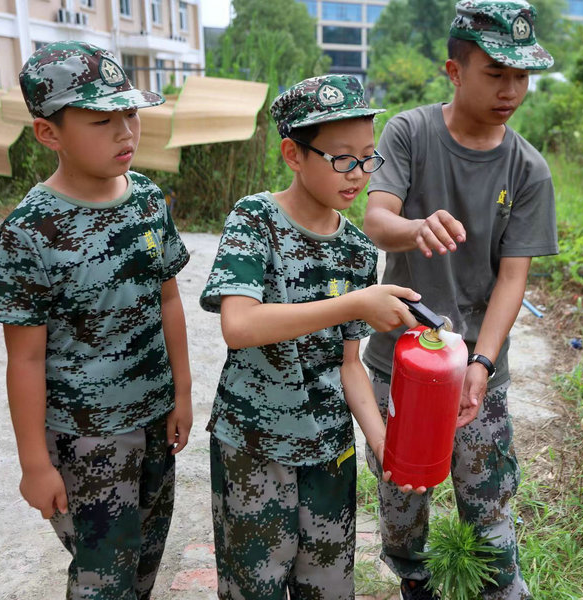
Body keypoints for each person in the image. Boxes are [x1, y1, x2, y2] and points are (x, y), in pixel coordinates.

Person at [361, 1, 559, 598]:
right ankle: (413, 582)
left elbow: (511, 280)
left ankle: (501, 590)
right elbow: (375, 218)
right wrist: (414, 228)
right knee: (402, 507)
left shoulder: (529, 170)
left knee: (491, 511)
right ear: (454, 70)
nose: (511, 91)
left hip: (478, 374)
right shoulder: (410, 133)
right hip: (400, 363)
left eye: (521, 77)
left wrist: (482, 362)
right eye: (495, 74)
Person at [200, 74, 423, 600]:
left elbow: (350, 365)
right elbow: (239, 325)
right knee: (254, 586)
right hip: (253, 446)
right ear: (293, 154)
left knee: (327, 586)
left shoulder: (356, 250)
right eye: (342, 158)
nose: (359, 174)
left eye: (369, 159)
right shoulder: (256, 221)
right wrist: (352, 303)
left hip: (327, 447)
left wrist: (382, 441)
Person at [0, 41, 192, 599]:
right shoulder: (33, 229)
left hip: (152, 419)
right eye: (102, 120)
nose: (126, 132)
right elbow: (24, 356)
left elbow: (168, 300)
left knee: (146, 556)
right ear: (48, 134)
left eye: (130, 113)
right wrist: (35, 464)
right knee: (103, 577)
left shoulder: (148, 200)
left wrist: (183, 393)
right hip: (86, 439)